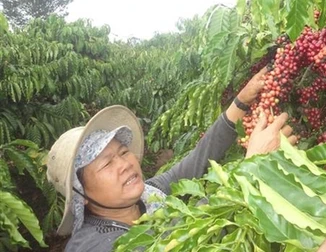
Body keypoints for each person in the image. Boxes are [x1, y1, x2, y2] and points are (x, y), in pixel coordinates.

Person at [47, 68, 298, 252]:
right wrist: (250, 167)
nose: (124, 164)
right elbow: (178, 241)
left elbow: (197, 160)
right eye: (106, 163)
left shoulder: (149, 195)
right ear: (82, 195)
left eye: (123, 152)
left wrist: (240, 102)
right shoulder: (94, 246)